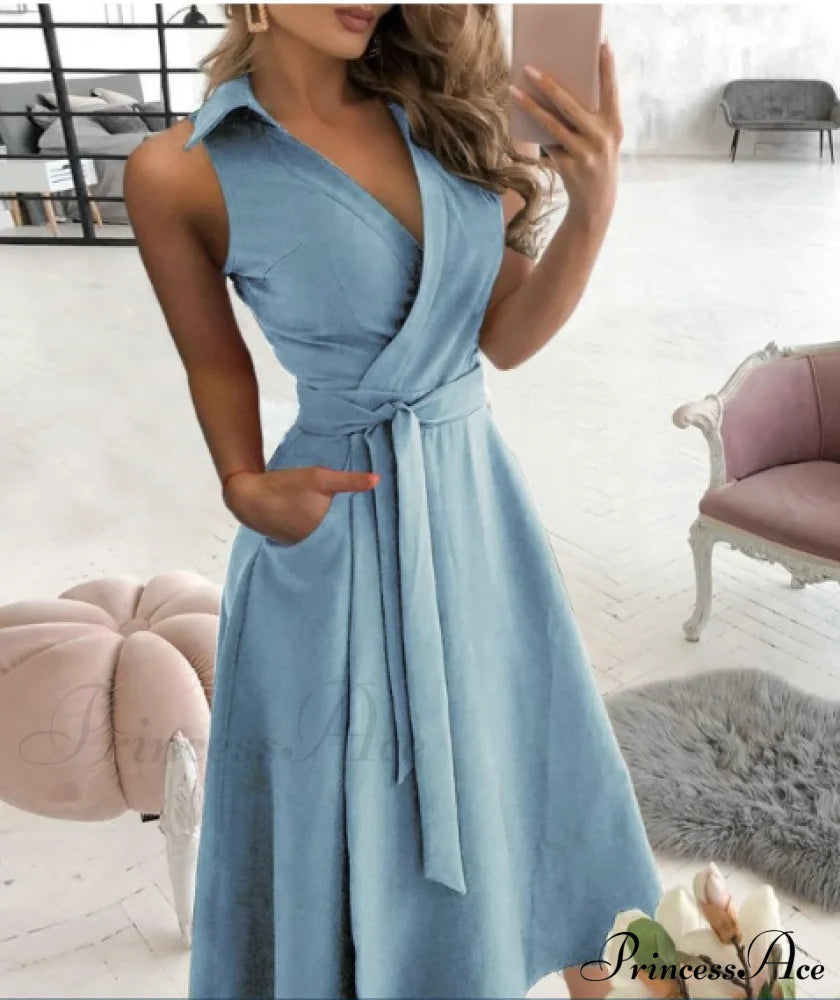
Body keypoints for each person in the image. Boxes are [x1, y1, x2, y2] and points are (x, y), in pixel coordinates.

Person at [125, 4, 661, 998]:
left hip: (477, 511)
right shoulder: (182, 170)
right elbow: (213, 360)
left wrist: (594, 209)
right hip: (334, 536)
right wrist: (243, 483)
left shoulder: (436, 113)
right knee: (364, 817)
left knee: (551, 783)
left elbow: (504, 335)